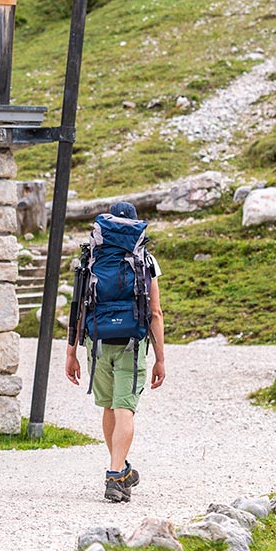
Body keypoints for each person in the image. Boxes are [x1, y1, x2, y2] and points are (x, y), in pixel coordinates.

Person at [65, 201, 166, 503]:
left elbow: (78, 309)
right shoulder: (145, 260)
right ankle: (114, 474)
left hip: (96, 341)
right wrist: (160, 357)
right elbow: (156, 312)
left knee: (109, 406)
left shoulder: (90, 259)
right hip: (132, 343)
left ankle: (119, 469)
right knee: (125, 408)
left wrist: (71, 352)